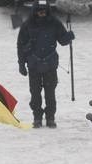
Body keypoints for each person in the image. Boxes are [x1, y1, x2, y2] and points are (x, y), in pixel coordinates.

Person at [16, 0, 75, 128]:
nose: (41, 13)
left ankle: (50, 118)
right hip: (33, 65)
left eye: (44, 11)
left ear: (48, 11)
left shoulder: (54, 23)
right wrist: (21, 64)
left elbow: (63, 41)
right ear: (35, 11)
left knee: (50, 93)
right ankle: (37, 117)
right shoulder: (27, 25)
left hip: (50, 64)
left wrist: (69, 36)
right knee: (35, 93)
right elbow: (20, 46)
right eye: (39, 11)